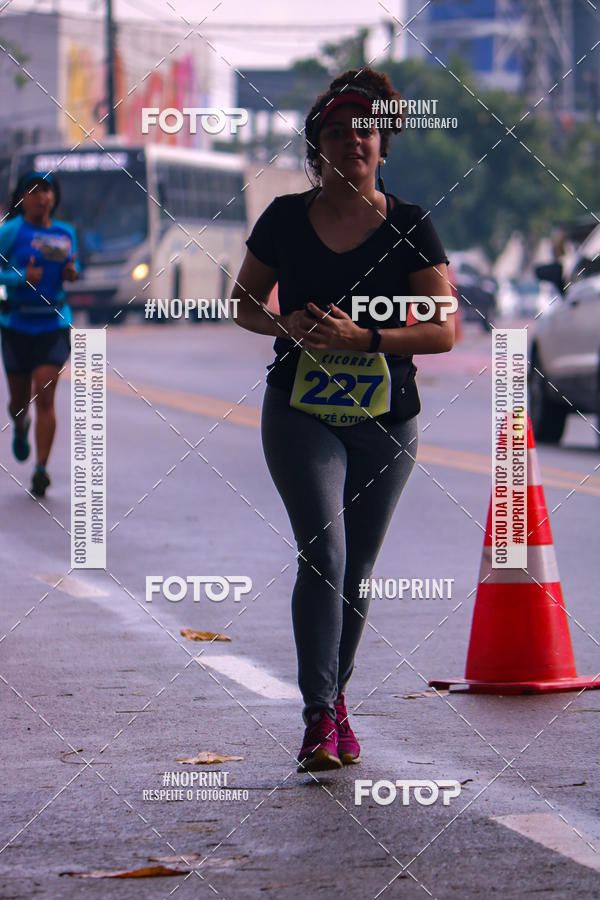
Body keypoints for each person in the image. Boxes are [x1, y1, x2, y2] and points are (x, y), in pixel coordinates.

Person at [235, 67, 455, 772]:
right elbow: (241, 303)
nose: (352, 140)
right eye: (336, 130)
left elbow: (444, 327)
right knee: (323, 555)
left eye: (364, 129)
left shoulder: (413, 224)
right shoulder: (282, 220)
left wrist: (368, 340)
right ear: (317, 146)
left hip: (387, 420)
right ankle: (316, 718)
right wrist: (285, 322)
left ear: (382, 144)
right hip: (301, 413)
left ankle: (336, 705)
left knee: (356, 569)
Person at [0, 172, 79, 497]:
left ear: (53, 197)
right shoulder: (10, 232)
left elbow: (70, 268)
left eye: (46, 190)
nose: (40, 196)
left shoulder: (64, 233)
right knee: (20, 401)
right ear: (22, 198)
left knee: (45, 397)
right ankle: (20, 425)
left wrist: (73, 273)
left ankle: (41, 469)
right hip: (16, 325)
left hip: (54, 324)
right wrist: (21, 277)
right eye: (32, 190)